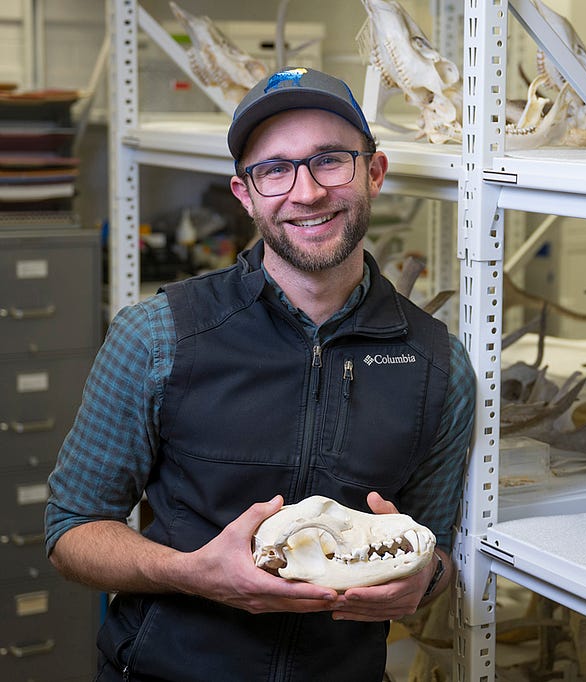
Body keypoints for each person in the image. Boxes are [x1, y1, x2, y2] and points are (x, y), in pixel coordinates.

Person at [45, 66, 475, 681]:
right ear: (244, 194)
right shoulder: (157, 334)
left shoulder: (439, 366)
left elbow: (435, 551)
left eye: (331, 161)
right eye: (274, 170)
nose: (306, 192)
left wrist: (425, 580)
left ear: (373, 175)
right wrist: (190, 573)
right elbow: (71, 531)